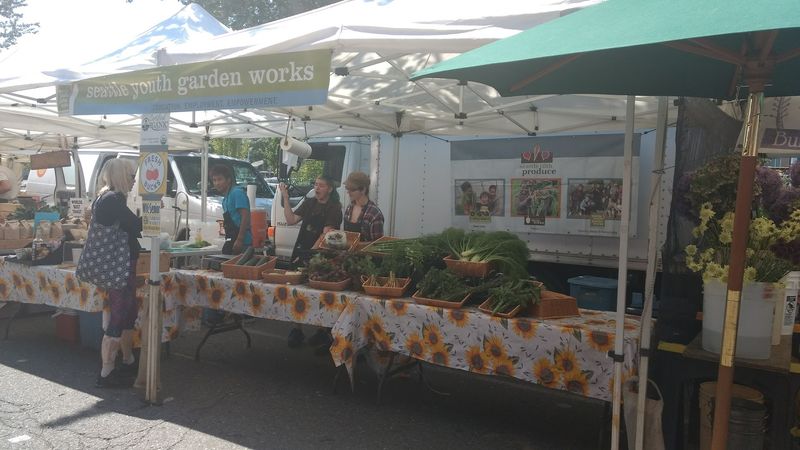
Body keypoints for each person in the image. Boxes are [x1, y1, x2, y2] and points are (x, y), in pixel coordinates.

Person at [90, 159, 142, 388]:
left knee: (129, 311)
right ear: (121, 176)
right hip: (120, 266)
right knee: (120, 313)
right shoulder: (112, 199)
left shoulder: (108, 197)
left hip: (122, 265)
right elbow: (135, 225)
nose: (134, 180)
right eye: (131, 176)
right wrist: (152, 212)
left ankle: (128, 360)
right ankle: (106, 371)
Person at [279, 176, 342, 348]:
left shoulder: (334, 208)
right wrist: (285, 197)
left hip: (320, 254)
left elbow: (326, 233)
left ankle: (322, 332)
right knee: (296, 291)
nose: (317, 188)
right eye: (315, 184)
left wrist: (312, 254)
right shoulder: (310, 202)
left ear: (329, 188)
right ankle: (296, 329)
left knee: (318, 295)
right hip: (301, 250)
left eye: (321, 185)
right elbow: (291, 220)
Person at [211, 165, 251, 255]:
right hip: (232, 240)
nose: (217, 183)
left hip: (243, 243)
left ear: (228, 180)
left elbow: (245, 216)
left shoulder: (237, 193)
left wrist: (240, 239)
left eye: (220, 179)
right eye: (214, 180)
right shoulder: (225, 199)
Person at [342, 171, 384, 242]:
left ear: (363, 190)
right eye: (347, 188)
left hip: (364, 253)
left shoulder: (374, 214)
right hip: (347, 252)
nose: (348, 192)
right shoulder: (349, 208)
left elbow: (377, 244)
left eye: (352, 189)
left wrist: (356, 246)